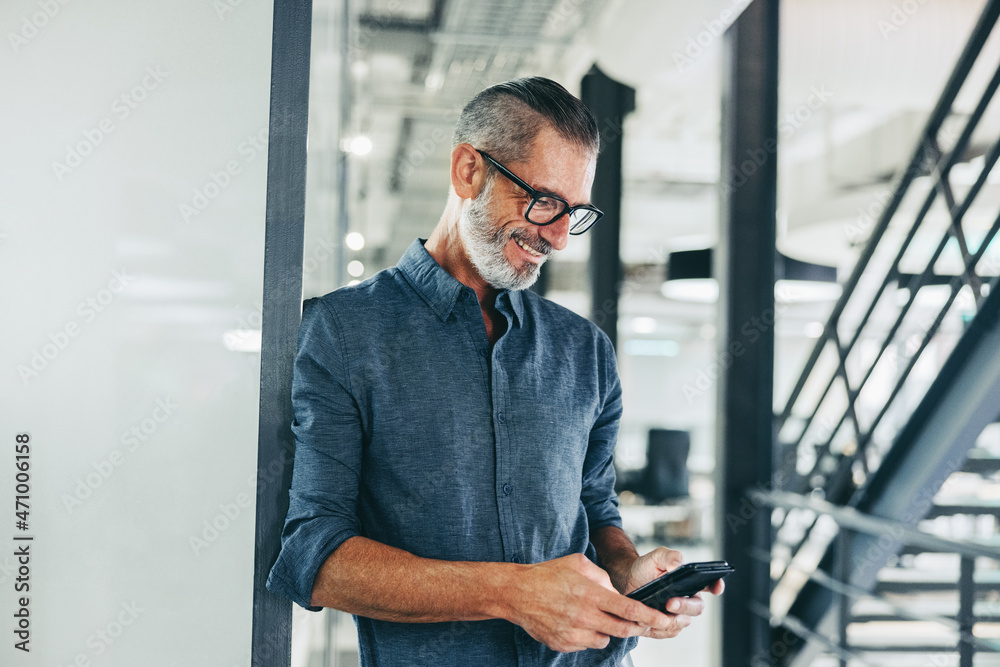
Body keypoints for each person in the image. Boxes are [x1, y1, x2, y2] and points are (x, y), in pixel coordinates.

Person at [266, 76, 722, 666]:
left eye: (575, 213)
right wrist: (512, 593)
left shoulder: (585, 349)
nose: (559, 235)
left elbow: (595, 510)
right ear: (468, 172)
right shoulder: (344, 333)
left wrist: (631, 571)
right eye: (545, 201)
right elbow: (314, 555)